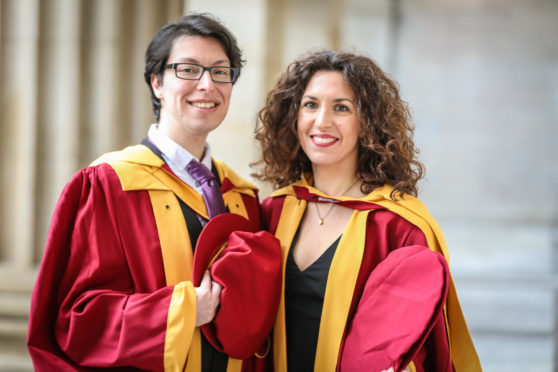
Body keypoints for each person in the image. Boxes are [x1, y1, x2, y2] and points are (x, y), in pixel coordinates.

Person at [27, 13, 279, 372]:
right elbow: (79, 321)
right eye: (188, 69)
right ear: (157, 82)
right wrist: (183, 311)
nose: (207, 85)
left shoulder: (242, 197)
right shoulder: (111, 184)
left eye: (220, 72)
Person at [254, 50, 482, 371]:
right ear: (294, 117)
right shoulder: (275, 211)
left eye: (341, 108)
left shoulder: (400, 225)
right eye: (310, 105)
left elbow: (429, 346)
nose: (322, 121)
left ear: (368, 123)